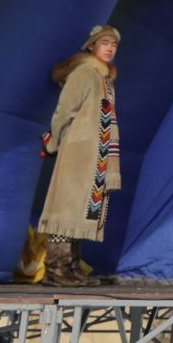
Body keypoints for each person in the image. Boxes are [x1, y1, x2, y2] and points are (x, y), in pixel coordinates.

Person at [38, 25, 123, 287]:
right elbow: (64, 111)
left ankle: (70, 267)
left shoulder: (104, 79)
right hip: (79, 151)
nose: (110, 48)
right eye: (105, 43)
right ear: (91, 46)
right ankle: (57, 269)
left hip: (95, 155)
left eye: (114, 45)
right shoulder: (84, 72)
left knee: (80, 208)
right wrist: (56, 143)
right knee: (67, 207)